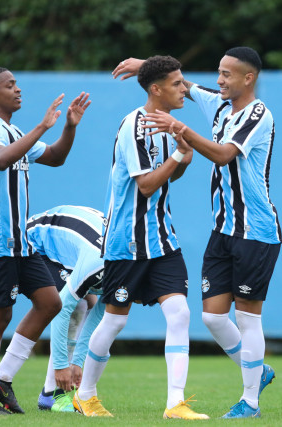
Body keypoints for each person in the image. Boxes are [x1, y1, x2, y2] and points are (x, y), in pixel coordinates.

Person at [113, 46, 282, 419]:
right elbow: (186, 86)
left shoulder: (258, 114)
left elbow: (224, 154)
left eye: (227, 74)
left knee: (247, 318)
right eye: (218, 73)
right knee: (213, 318)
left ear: (248, 78)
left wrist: (180, 128)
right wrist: (147, 67)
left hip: (256, 230)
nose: (218, 80)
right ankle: (258, 371)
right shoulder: (219, 104)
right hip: (222, 229)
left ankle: (250, 401)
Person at [73, 55, 208, 420]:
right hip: (127, 239)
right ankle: (85, 395)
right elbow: (146, 185)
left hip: (162, 237)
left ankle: (175, 404)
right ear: (156, 89)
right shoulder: (135, 125)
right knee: (115, 319)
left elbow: (168, 177)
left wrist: (181, 156)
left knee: (180, 312)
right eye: (178, 83)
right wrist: (181, 154)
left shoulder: (168, 124)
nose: (185, 89)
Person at [0, 66, 91, 416]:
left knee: (50, 302)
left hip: (20, 240)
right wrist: (43, 125)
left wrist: (68, 126)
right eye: (10, 85)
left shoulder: (14, 130)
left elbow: (55, 157)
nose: (18, 90)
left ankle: (3, 381)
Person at [26, 205, 107, 413]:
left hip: (69, 248)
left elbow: (99, 314)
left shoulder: (127, 269)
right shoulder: (99, 262)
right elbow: (61, 310)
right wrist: (62, 366)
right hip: (35, 240)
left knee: (83, 303)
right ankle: (50, 394)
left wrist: (78, 363)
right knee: (70, 305)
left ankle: (50, 394)